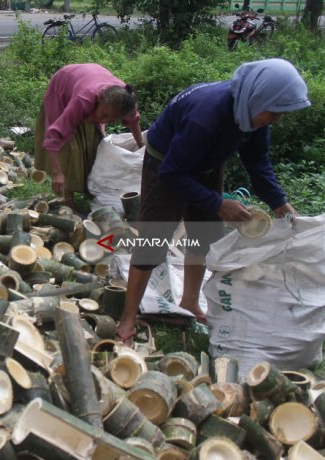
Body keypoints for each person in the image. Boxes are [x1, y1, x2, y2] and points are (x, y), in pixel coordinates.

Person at [116, 58, 310, 344]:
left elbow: (257, 162)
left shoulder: (253, 112)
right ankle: (128, 316)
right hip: (166, 163)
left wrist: (282, 206)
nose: (276, 120)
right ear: (259, 98)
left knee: (204, 235)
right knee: (153, 241)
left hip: (206, 162)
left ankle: (190, 302)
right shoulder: (206, 117)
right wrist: (218, 204)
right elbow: (172, 173)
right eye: (275, 112)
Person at [34, 63, 144, 208]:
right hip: (63, 84)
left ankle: (89, 189)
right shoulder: (84, 99)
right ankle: (68, 200)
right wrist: (57, 173)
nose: (104, 120)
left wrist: (142, 149)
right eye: (104, 115)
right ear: (99, 99)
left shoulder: (126, 102)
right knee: (69, 148)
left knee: (95, 142)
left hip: (91, 80)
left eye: (110, 119)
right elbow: (55, 135)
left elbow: (134, 123)